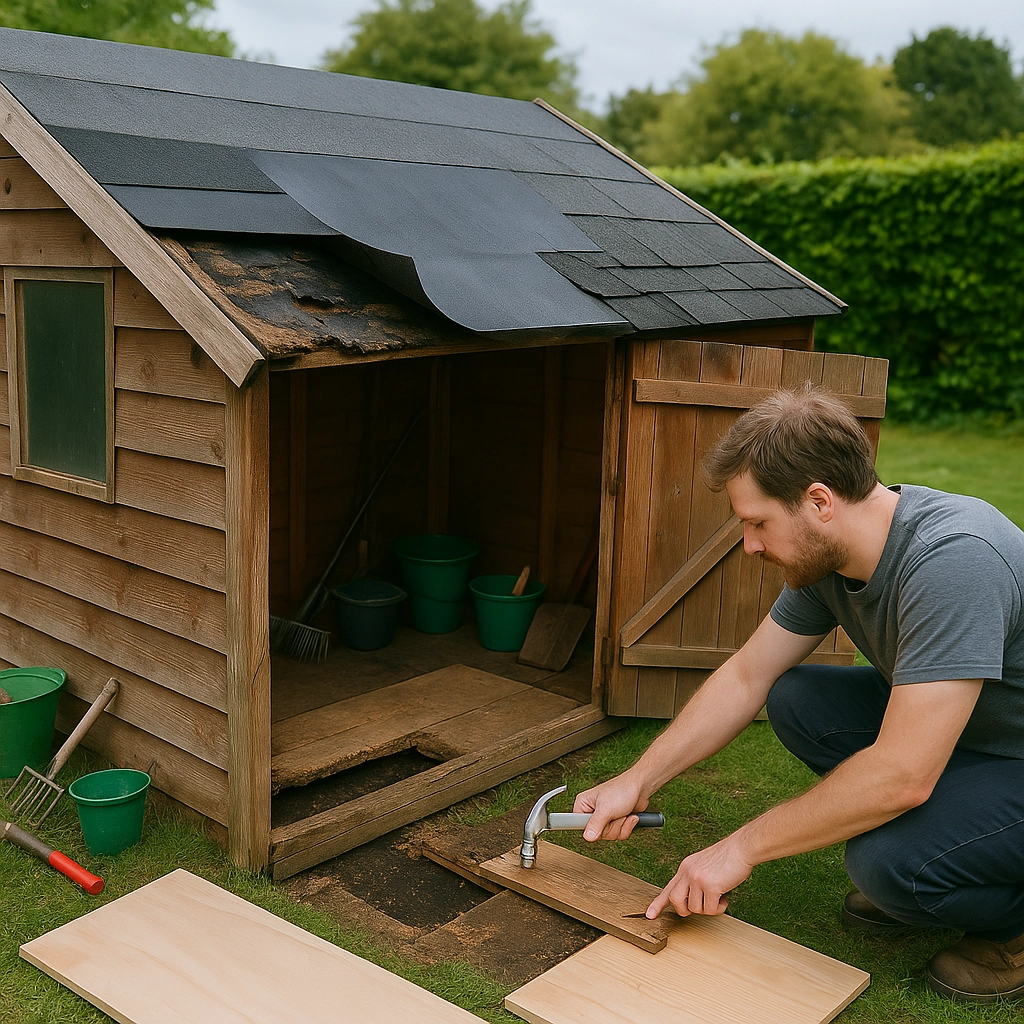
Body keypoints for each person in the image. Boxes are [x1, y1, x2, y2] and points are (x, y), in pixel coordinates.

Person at [574, 387, 1024, 1004]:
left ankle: (1011, 924)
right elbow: (746, 677)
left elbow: (903, 775)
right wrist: (641, 777)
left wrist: (739, 848)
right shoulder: (831, 559)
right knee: (797, 698)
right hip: (984, 731)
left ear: (819, 501)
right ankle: (950, 843)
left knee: (888, 863)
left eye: (758, 523)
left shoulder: (954, 561)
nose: (751, 544)